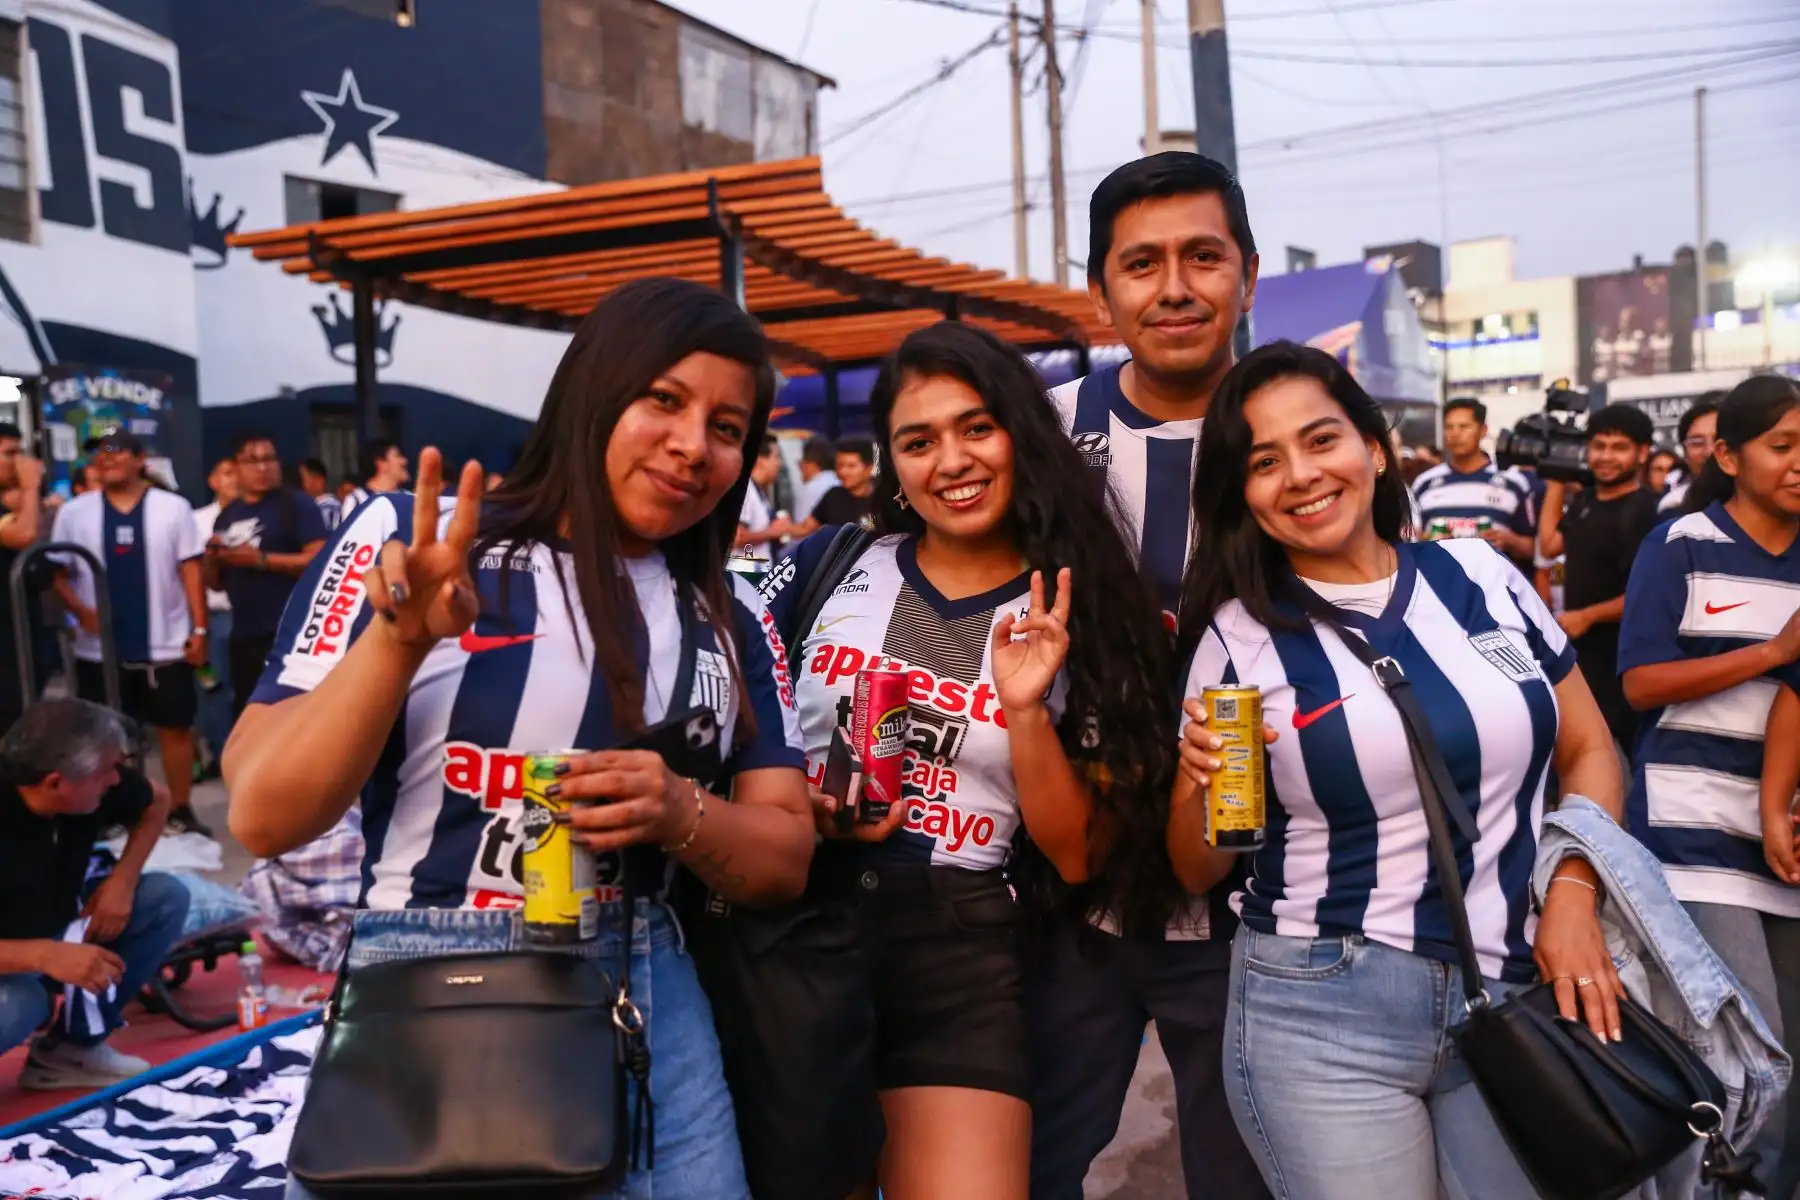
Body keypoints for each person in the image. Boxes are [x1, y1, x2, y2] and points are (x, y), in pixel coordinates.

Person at [224, 278, 813, 1200]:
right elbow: (263, 814)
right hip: (424, 975)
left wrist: (678, 809)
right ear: (593, 389)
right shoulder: (412, 543)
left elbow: (784, 857)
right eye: (663, 400)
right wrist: (399, 637)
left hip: (643, 987)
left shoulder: (730, 615)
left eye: (729, 428)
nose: (694, 446)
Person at [1172, 341, 1624, 1198]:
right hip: (1320, 1009)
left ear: (1374, 448)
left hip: (1517, 982)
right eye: (1264, 461)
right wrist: (1198, 782)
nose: (1300, 475)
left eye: (1321, 440)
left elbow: (1592, 749)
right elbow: (1200, 867)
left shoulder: (1484, 577)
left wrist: (1573, 894)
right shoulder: (1239, 637)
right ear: (1244, 493)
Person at [761, 323, 1175, 1200]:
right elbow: (734, 733)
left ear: (1022, 434)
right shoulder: (827, 567)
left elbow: (1076, 855)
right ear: (892, 464)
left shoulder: (1082, 603)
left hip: (963, 939)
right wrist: (802, 804)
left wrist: (1026, 713)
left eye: (976, 428)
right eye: (918, 441)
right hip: (803, 926)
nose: (951, 460)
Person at [1033, 151, 1267, 1200]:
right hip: (1067, 891)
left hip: (1255, 901)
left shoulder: (1298, 430)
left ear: (1248, 276)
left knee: (1248, 1175)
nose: (1174, 287)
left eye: (1203, 257)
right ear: (1102, 291)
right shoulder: (1043, 433)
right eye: (1141, 264)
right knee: (1032, 1160)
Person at [1619, 373, 1800, 1195]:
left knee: (1787, 1051)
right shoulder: (1682, 542)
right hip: (1693, 830)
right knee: (1745, 1045)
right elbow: (1640, 683)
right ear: (1728, 455)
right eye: (1783, 446)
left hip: (1785, 835)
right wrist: (1767, 652)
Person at [0, 699, 186, 1089]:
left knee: (163, 896)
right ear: (55, 783)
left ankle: (69, 1051)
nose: (116, 780)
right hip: (13, 962)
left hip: (56, 922)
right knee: (20, 1003)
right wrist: (44, 956)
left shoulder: (83, 785)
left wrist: (123, 880)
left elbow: (158, 800)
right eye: (107, 771)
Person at [50, 431, 209, 837]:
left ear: (141, 459)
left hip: (165, 641)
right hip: (97, 649)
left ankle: (180, 808)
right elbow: (57, 572)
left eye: (115, 451)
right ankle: (112, 812)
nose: (105, 459)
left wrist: (200, 628)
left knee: (174, 728)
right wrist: (79, 609)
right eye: (98, 454)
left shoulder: (172, 507)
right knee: (103, 735)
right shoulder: (75, 512)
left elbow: (190, 570)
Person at [1536, 404, 1663, 754]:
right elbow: (1548, 547)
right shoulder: (1585, 500)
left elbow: (1648, 595)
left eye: (1619, 447)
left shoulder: (1648, 512)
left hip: (1626, 661)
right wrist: (1557, 482)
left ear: (1642, 453)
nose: (1606, 456)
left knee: (1630, 763)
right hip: (1583, 657)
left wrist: (1587, 616)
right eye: (1598, 446)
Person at [206, 432, 328, 721]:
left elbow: (320, 561)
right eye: (252, 461)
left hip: (292, 634)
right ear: (235, 467)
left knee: (297, 716)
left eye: (269, 459)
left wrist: (260, 559)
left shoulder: (296, 504)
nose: (263, 467)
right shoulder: (227, 515)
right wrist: (211, 558)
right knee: (251, 717)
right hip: (245, 636)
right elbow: (215, 583)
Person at [1412, 398, 1536, 567]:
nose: (1455, 433)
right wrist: (1424, 541)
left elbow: (1535, 550)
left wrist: (1509, 540)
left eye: (1464, 426)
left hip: (1495, 588)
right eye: (1449, 427)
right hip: (1438, 584)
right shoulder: (1424, 483)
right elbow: (1409, 543)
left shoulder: (1513, 482)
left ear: (1483, 430)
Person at [192, 455, 239, 774]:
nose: (234, 478)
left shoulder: (262, 517)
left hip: (253, 613)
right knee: (214, 688)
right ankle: (222, 757)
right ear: (213, 480)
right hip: (214, 614)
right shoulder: (197, 520)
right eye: (227, 472)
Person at [0, 423, 44, 728]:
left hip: (21, 631)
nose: (19, 462)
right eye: (9, 453)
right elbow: (24, 535)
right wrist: (31, 487)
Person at [796, 438, 877, 534]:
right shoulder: (833, 495)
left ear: (869, 468)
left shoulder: (882, 499)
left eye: (851, 466)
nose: (843, 472)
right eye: (840, 465)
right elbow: (805, 529)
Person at [1661, 391, 1723, 513]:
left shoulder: (1763, 503)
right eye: (1697, 443)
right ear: (1685, 454)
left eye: (1718, 440)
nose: (1709, 451)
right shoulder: (1672, 508)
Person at [733, 435, 790, 565]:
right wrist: (774, 531)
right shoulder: (745, 490)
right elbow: (737, 537)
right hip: (746, 577)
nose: (779, 463)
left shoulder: (757, 491)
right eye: (776, 456)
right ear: (759, 460)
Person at [340, 438, 410, 519]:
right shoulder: (357, 500)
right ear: (380, 463)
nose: (405, 461)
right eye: (398, 456)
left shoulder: (411, 499)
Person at [794, 433, 839, 523]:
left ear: (811, 464)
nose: (800, 468)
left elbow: (802, 529)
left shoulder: (812, 487)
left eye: (800, 463)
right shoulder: (839, 481)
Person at [297, 457, 342, 530]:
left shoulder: (328, 508)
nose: (300, 483)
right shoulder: (310, 506)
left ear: (318, 480)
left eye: (303, 479)